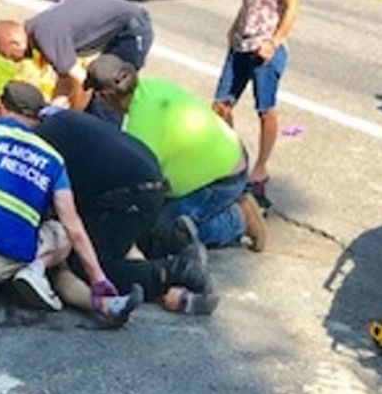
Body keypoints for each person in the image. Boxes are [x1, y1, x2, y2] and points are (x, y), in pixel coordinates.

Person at [0, 82, 141, 324]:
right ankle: (88, 295)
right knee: (60, 234)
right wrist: (98, 278)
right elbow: (73, 226)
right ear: (39, 117)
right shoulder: (52, 158)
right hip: (1, 262)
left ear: (2, 108)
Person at [37, 102, 217, 316]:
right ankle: (169, 239)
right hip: (145, 181)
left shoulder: (38, 146)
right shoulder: (62, 119)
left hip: (127, 194)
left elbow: (63, 215)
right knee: (112, 233)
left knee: (87, 261)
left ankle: (176, 271)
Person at [89, 56, 265, 252]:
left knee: (160, 237)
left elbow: (139, 188)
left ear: (105, 96)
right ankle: (230, 202)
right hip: (230, 155)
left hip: (221, 179)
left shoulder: (141, 127)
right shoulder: (152, 87)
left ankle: (237, 219)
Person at [212, 0, 297, 208]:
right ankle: (233, 161)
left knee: (265, 109)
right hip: (241, 43)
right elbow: (249, 4)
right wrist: (233, 28)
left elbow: (292, 8)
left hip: (265, 48)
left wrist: (274, 42)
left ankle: (260, 169)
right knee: (220, 106)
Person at [0, 0, 153, 111]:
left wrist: (73, 116)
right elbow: (65, 77)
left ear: (15, 43)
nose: (14, 61)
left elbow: (83, 81)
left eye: (9, 56)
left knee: (109, 92)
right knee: (97, 100)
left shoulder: (45, 36)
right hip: (118, 32)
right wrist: (54, 108)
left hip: (131, 31)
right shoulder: (40, 32)